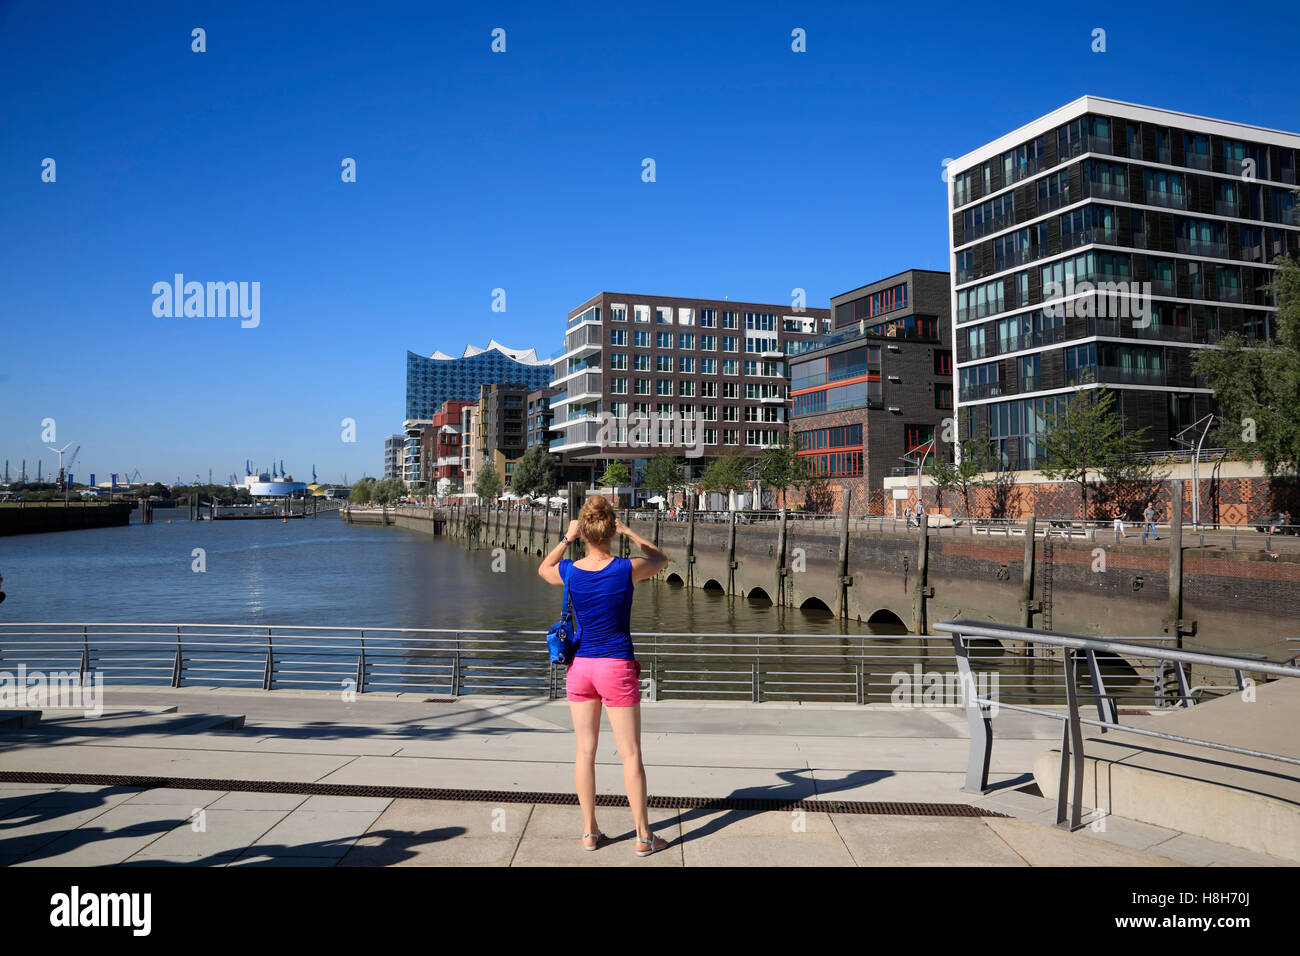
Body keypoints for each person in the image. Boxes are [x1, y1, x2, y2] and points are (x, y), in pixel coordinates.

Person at [538, 496, 671, 857]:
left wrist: (566, 538)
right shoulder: (626, 569)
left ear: (583, 532)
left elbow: (543, 569)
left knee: (584, 751)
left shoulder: (570, 571)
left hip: (580, 669)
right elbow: (662, 559)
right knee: (630, 754)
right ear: (611, 530)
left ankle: (589, 831)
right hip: (616, 667)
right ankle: (644, 836)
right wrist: (631, 532)